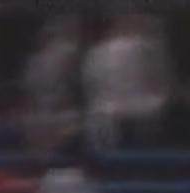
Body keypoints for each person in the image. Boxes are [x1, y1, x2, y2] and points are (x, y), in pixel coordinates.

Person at [82, 13, 174, 153]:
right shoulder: (145, 47)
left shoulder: (96, 52)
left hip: (109, 116)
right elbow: (162, 82)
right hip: (139, 115)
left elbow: (90, 88)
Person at [21, 16, 83, 159]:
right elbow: (29, 96)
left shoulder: (63, 55)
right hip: (45, 117)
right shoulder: (34, 63)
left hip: (59, 116)